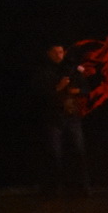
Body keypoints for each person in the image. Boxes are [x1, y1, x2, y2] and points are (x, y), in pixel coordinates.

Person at [40, 44, 90, 195]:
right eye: (55, 53)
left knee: (78, 151)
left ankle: (81, 186)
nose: (59, 56)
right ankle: (55, 187)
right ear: (48, 53)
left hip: (72, 116)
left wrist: (78, 90)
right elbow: (40, 94)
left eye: (61, 52)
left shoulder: (71, 68)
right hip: (54, 118)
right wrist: (58, 88)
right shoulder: (44, 71)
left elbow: (86, 88)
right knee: (54, 154)